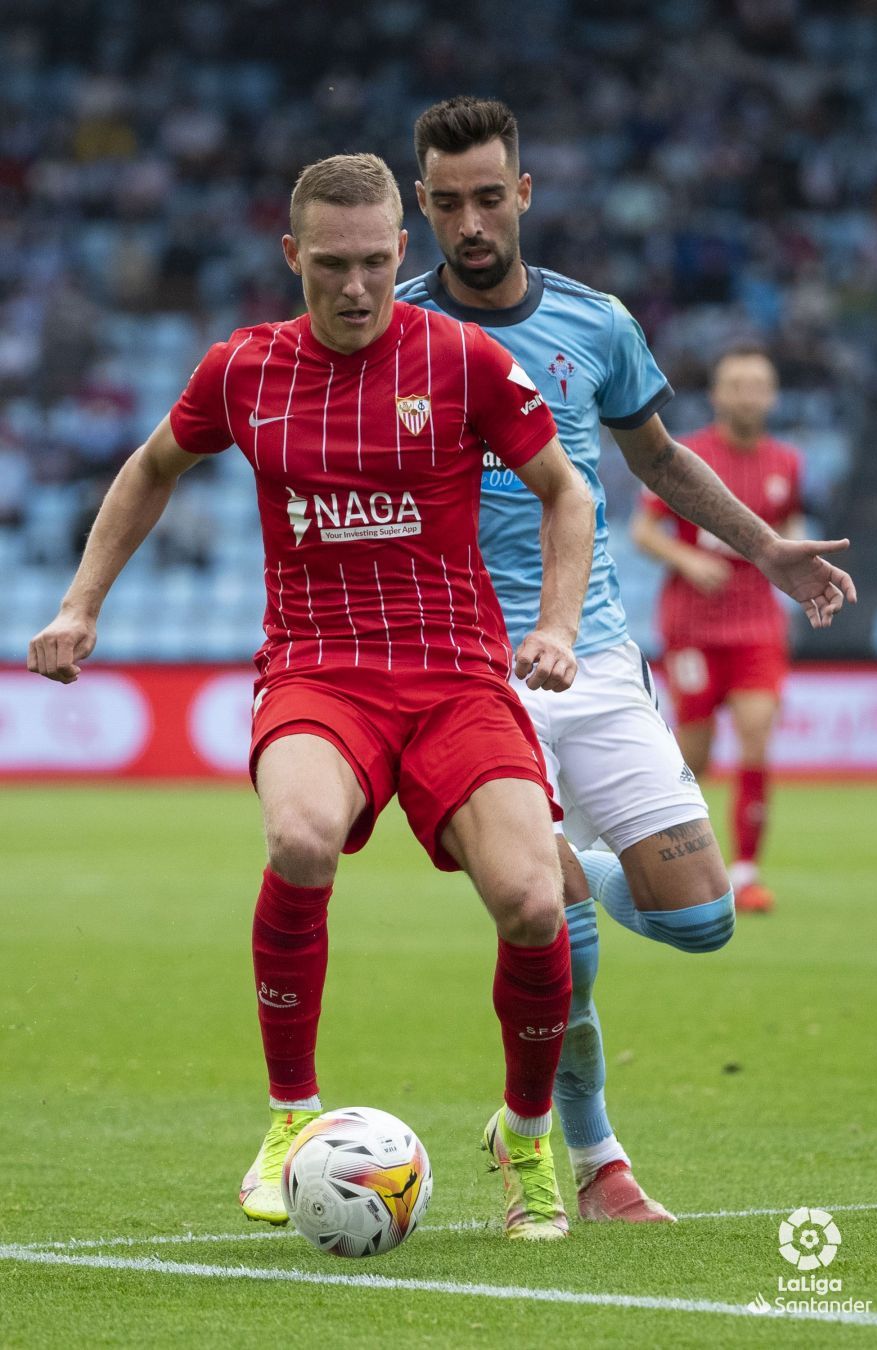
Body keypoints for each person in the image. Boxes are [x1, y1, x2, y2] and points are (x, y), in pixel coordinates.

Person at [27, 153, 598, 1243]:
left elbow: (568, 489)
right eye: (330, 265)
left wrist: (558, 627)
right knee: (299, 838)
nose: (355, 288)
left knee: (532, 903)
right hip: (319, 669)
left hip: (456, 675)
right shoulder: (242, 369)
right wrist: (81, 605)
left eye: (378, 263)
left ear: (403, 253)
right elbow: (151, 467)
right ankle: (292, 1117)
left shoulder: (466, 360)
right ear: (293, 255)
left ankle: (525, 1134)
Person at [398, 96, 856, 1223]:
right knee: (555, 931)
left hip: (596, 661)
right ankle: (592, 1160)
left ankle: (565, 897)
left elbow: (657, 461)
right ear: (422, 203)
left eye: (489, 197)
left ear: (526, 195)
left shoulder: (596, 323)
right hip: (467, 673)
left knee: (701, 916)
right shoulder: (393, 333)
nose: (470, 220)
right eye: (448, 201)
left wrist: (765, 550)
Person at [631, 346, 804, 913]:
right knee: (695, 756)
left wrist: (798, 556)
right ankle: (667, 860)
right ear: (718, 393)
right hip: (694, 626)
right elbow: (644, 531)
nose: (748, 395)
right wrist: (687, 561)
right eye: (737, 384)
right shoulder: (686, 456)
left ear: (773, 395)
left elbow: (789, 526)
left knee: (756, 738)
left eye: (758, 385)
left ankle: (748, 871)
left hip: (757, 624)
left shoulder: (786, 464)